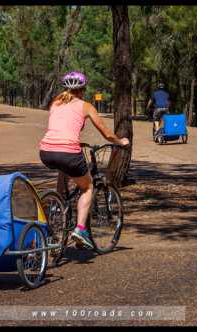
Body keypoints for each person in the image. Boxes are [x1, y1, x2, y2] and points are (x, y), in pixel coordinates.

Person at [39, 71, 129, 249]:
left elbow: (61, 127)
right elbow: (106, 133)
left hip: (46, 151)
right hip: (68, 151)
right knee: (88, 187)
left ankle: (57, 206)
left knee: (63, 170)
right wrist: (121, 141)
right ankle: (80, 230)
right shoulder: (86, 106)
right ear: (83, 89)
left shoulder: (55, 103)